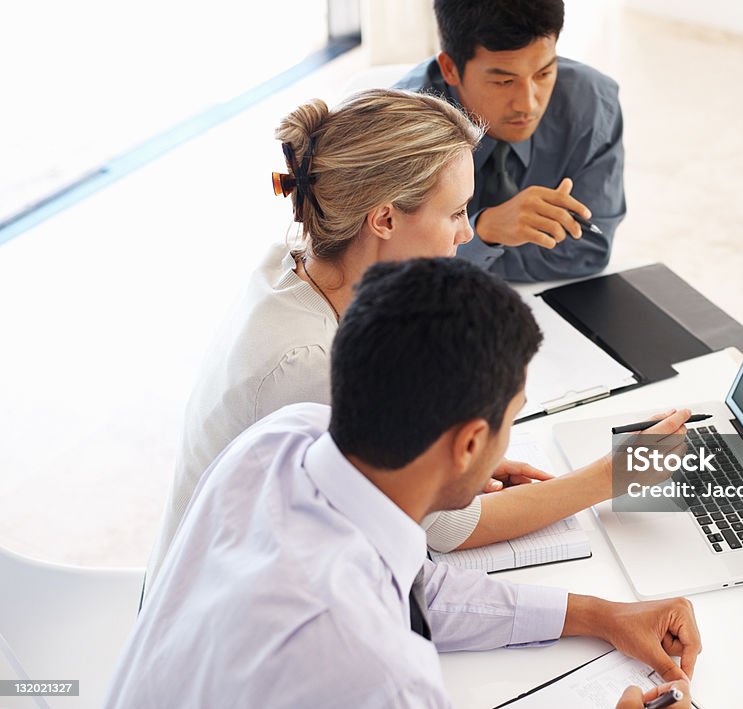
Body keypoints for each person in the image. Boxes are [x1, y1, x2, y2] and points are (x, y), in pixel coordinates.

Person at [147, 88, 684, 592]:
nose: (468, 233)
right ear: (382, 218)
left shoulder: (302, 263)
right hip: (222, 621)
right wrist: (615, 474)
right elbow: (448, 528)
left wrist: (455, 462)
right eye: (454, 213)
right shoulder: (308, 364)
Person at [105, 259, 698, 708]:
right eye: (511, 419)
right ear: (468, 444)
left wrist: (601, 614)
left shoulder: (283, 439)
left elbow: (420, 592)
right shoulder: (378, 672)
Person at [394, 0, 626, 282]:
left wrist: (462, 253)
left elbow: (590, 249)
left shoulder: (593, 105)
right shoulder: (402, 133)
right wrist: (486, 233)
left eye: (544, 73)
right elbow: (396, 268)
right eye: (504, 82)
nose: (528, 104)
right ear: (449, 68)